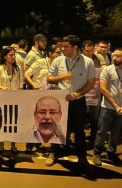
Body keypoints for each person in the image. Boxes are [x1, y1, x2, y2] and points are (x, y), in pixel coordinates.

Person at [46, 35, 95, 167]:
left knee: (79, 130)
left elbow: (91, 83)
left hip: (78, 101)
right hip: (60, 100)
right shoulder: (58, 60)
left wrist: (77, 94)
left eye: (66, 46)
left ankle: (82, 156)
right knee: (56, 127)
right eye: (61, 46)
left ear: (75, 47)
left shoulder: (88, 62)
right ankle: (53, 152)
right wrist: (62, 77)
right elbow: (49, 79)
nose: (62, 48)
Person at [93, 47, 122, 166]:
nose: (114, 57)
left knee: (116, 131)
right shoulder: (107, 70)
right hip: (107, 107)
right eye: (113, 55)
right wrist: (116, 105)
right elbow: (103, 88)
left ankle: (111, 152)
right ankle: (97, 152)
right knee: (102, 131)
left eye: (118, 55)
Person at [0, 47, 24, 157]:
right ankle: (0, 144)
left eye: (14, 55)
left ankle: (13, 145)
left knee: (13, 123)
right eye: (10, 55)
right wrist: (2, 88)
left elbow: (21, 85)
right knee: (2, 122)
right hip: (1, 99)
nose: (13, 57)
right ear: (5, 56)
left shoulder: (18, 69)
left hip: (15, 100)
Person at [82, 40, 106, 147]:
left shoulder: (98, 58)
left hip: (95, 93)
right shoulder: (79, 59)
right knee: (82, 116)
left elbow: (105, 69)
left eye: (92, 51)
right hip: (82, 92)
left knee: (94, 117)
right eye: (87, 50)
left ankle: (93, 138)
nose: (90, 53)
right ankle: (80, 138)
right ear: (83, 50)